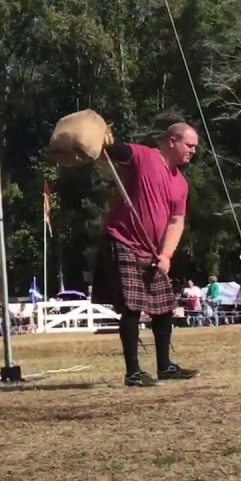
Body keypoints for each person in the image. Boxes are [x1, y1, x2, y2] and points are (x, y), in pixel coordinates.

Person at [92, 121, 201, 387]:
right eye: (189, 145)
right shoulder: (144, 156)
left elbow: (177, 221)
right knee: (133, 306)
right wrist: (102, 134)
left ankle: (165, 367)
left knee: (164, 308)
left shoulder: (181, 184)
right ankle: (133, 373)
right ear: (172, 141)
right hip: (123, 239)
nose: (193, 151)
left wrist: (166, 255)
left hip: (153, 251)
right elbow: (116, 149)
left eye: (195, 147)